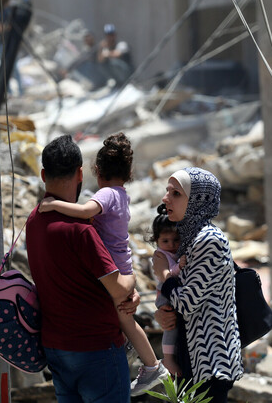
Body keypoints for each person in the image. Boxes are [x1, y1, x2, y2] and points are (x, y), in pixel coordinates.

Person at [39, 133, 170, 395]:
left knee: (126, 321)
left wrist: (53, 204)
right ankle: (152, 365)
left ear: (96, 172)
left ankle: (153, 366)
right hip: (120, 265)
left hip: (117, 269)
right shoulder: (120, 194)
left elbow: (86, 212)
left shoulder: (107, 194)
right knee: (126, 321)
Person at [26, 134, 138, 403]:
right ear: (80, 173)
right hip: (96, 349)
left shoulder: (33, 220)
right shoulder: (81, 231)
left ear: (43, 174)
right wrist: (131, 279)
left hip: (56, 348)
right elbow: (120, 288)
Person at [153, 167, 243, 403]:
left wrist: (163, 277)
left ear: (197, 200)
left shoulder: (209, 240)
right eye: (167, 191)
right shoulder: (190, 238)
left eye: (176, 193)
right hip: (192, 356)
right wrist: (162, 313)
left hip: (210, 361)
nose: (166, 198)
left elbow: (187, 302)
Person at [150, 211, 185, 378]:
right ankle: (168, 358)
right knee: (170, 326)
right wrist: (180, 266)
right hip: (164, 295)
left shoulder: (175, 252)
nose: (171, 244)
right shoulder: (160, 255)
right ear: (156, 241)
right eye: (165, 241)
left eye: (175, 240)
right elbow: (167, 275)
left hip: (171, 293)